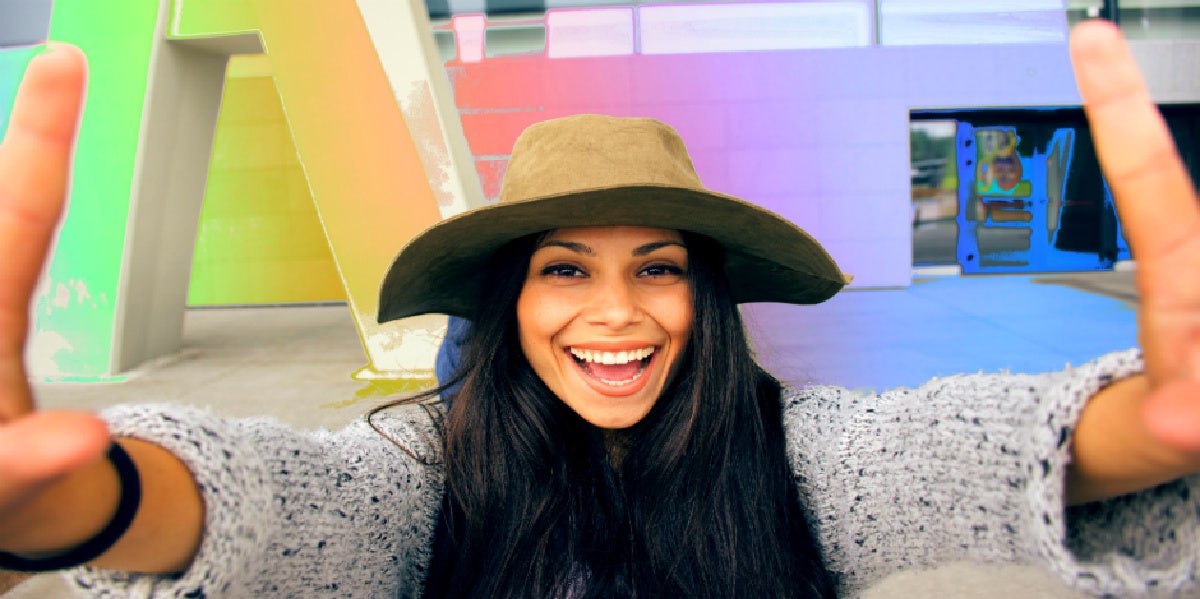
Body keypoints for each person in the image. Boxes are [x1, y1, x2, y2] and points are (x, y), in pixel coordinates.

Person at [0, 19, 1197, 597]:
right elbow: (271, 500)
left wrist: (1152, 420)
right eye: (565, 267)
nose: (617, 312)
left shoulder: (802, 451)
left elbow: (968, 453)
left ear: (705, 293)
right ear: (509, 300)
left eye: (660, 266)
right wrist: (83, 499)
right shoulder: (426, 461)